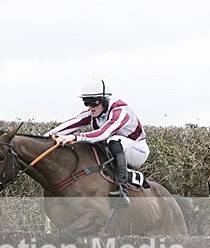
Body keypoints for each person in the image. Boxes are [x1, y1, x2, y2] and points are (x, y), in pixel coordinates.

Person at [46, 79, 149, 207]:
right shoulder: (94, 112)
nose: (91, 107)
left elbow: (103, 134)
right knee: (91, 146)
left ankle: (123, 191)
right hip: (117, 148)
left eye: (94, 102)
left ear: (105, 100)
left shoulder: (120, 111)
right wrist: (45, 138)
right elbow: (71, 123)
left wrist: (73, 137)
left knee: (112, 140)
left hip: (138, 150)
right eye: (86, 103)